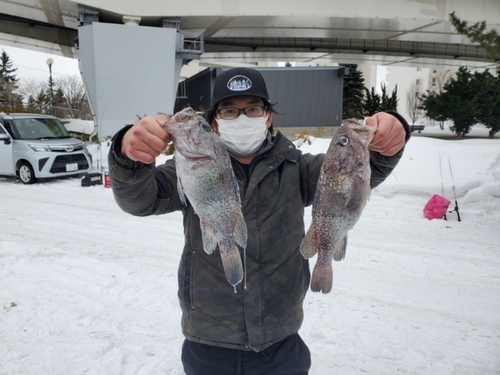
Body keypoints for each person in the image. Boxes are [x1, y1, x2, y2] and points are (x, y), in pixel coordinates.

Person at [108, 67, 410, 375]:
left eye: (252, 108)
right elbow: (139, 199)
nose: (242, 118)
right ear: (215, 121)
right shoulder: (189, 169)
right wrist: (127, 156)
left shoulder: (298, 169)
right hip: (207, 346)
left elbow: (349, 177)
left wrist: (391, 138)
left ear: (267, 116)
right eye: (229, 110)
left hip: (281, 347)